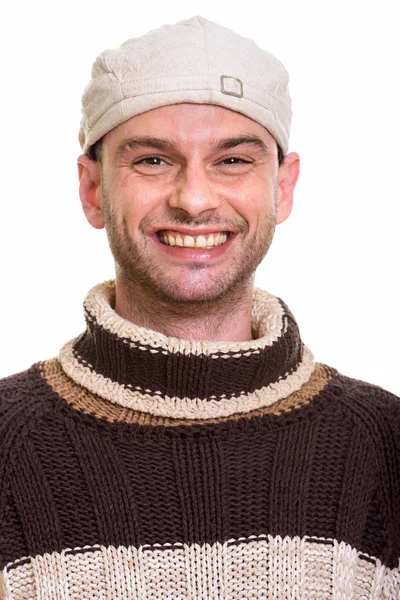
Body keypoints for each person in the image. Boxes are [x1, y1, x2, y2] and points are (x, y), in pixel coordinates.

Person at [0, 15, 399, 600]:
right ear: (92, 189)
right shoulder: (7, 444)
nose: (193, 199)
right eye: (152, 160)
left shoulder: (384, 444)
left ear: (283, 188)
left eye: (233, 160)